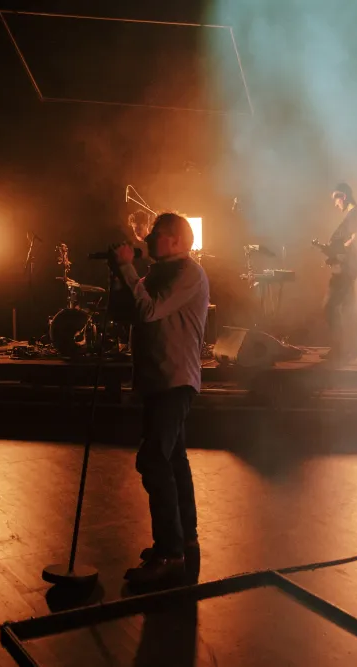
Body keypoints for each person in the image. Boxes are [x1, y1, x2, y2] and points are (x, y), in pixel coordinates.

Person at [108, 212, 209, 585]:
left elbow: (148, 311)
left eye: (158, 234)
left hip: (175, 381)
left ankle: (170, 552)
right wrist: (122, 275)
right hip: (157, 381)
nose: (149, 238)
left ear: (179, 241)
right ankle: (185, 539)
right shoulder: (156, 274)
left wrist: (129, 270)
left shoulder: (188, 273)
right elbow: (127, 312)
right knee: (173, 459)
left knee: (152, 459)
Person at [321, 182, 357, 361]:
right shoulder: (355, 214)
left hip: (346, 269)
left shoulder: (355, 214)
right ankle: (353, 348)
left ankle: (338, 349)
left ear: (344, 197)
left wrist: (337, 253)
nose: (335, 204)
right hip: (349, 267)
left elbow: (354, 241)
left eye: (336, 199)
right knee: (348, 308)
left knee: (329, 306)